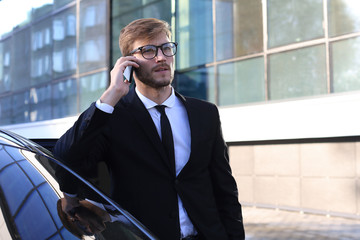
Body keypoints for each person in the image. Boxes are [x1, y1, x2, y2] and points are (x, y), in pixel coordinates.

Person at [53, 18, 245, 240]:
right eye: (148, 51)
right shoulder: (112, 116)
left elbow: (225, 190)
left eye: (166, 48)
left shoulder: (205, 113)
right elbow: (66, 157)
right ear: (128, 62)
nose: (161, 57)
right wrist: (111, 94)